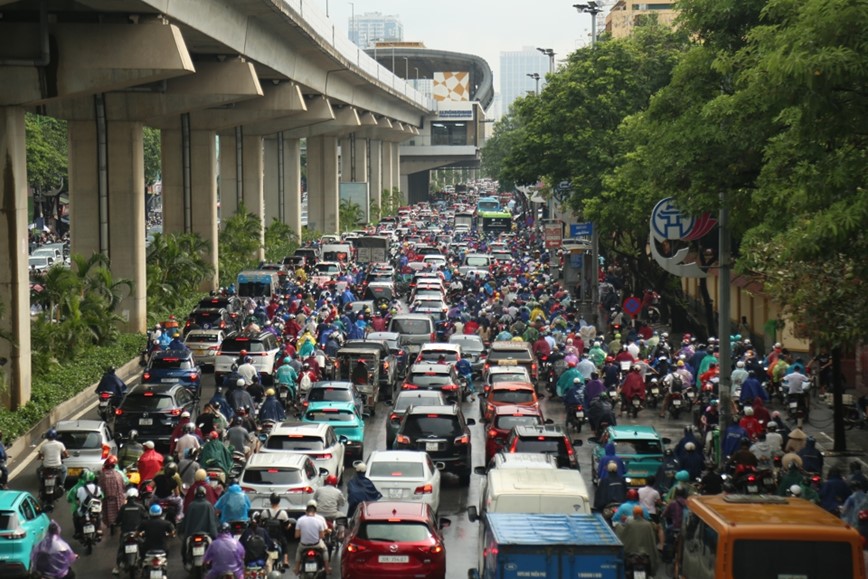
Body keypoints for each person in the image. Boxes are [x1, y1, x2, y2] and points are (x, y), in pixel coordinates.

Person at [615, 506, 660, 577]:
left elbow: (624, 537)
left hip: (632, 555)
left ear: (634, 514)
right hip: (645, 555)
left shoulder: (630, 524)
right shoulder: (648, 525)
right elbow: (652, 541)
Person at [182, 486, 219, 567]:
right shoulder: (208, 505)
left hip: (192, 533)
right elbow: (213, 522)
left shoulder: (191, 505)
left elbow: (186, 521)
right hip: (206, 534)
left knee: (184, 547)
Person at [113, 488, 147, 575]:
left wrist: (115, 523)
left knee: (121, 548)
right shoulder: (140, 507)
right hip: (137, 533)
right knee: (143, 547)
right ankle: (145, 564)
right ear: (136, 496)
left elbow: (117, 520)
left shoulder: (123, 507)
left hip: (126, 533)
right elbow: (146, 518)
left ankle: (117, 567)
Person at [293, 501, 330, 575]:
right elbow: (322, 536)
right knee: (325, 550)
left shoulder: (300, 520)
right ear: (315, 511)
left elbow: (296, 535)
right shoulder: (319, 520)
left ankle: (296, 568)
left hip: (304, 545)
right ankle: (327, 568)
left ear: (306, 511)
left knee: (299, 551)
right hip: (316, 545)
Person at [260, 493, 292, 569]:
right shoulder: (283, 513)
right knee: (285, 544)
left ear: (270, 501)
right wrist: (289, 526)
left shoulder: (265, 512)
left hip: (267, 537)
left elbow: (261, 524)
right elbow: (286, 526)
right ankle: (285, 561)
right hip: (279, 538)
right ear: (279, 501)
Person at [69, 469, 104, 537]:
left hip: (83, 510)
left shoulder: (80, 489)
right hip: (94, 510)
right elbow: (101, 497)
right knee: (99, 515)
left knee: (75, 516)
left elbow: (76, 499)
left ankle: (77, 532)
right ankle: (99, 529)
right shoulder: (97, 488)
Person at [98, 456, 127, 532]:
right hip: (118, 498)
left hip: (106, 499)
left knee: (107, 511)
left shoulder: (102, 475)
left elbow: (99, 487)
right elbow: (123, 486)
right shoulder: (118, 474)